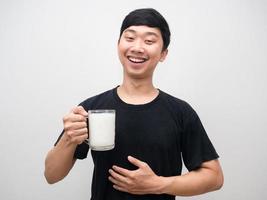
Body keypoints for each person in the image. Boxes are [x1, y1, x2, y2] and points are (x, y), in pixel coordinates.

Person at [44, 8, 224, 200]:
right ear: (118, 45)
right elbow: (51, 175)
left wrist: (158, 184)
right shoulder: (92, 109)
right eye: (129, 38)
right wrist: (69, 139)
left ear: (163, 53)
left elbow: (214, 177)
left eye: (149, 41)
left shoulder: (180, 112)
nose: (137, 47)